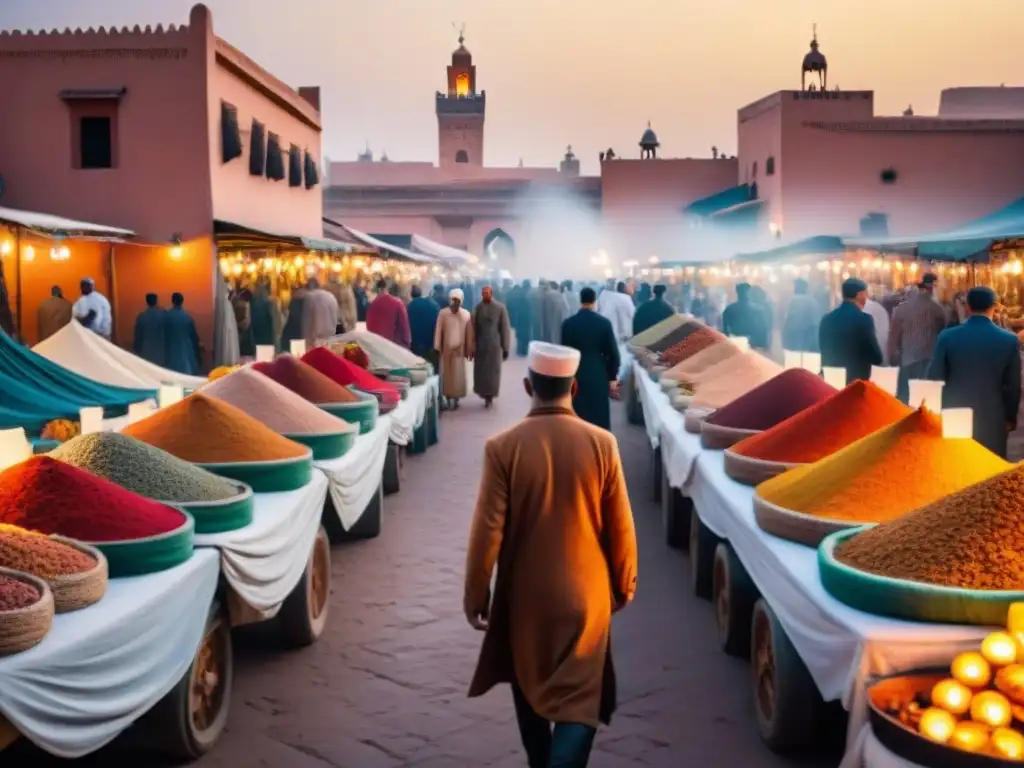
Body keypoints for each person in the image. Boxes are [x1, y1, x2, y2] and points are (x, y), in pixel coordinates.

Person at [464, 340, 637, 768]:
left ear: (527, 386)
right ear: (574, 389)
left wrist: (476, 596)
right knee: (581, 696)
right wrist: (624, 583)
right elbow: (621, 527)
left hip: (525, 595)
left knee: (528, 682)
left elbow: (488, 531)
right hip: (587, 594)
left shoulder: (503, 447)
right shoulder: (602, 444)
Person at [928, 286, 1021, 459]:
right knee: (990, 471)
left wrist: (934, 415)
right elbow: (1014, 386)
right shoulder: (1008, 341)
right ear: (994, 307)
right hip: (993, 418)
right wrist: (1010, 417)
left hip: (955, 415)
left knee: (959, 467)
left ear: (967, 307)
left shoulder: (947, 337)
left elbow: (934, 378)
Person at [561, 287, 621, 431]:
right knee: (598, 413)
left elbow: (564, 352)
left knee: (577, 411)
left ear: (580, 300)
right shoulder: (604, 323)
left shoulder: (568, 323)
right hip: (597, 372)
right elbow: (612, 352)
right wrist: (612, 376)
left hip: (575, 372)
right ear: (595, 301)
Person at [889, 273, 947, 403]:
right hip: (929, 361)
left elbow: (894, 336)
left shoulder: (902, 308)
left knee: (907, 399)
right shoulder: (938, 309)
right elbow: (942, 335)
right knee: (926, 401)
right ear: (933, 287)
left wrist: (893, 357)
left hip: (908, 360)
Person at [819, 277, 883, 384]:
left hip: (831, 382)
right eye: (865, 294)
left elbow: (823, 350)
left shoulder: (826, 319)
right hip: (855, 385)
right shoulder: (864, 319)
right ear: (859, 295)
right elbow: (876, 357)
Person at [434, 288, 474, 410]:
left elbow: (438, 332)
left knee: (450, 374)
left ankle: (451, 397)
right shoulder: (465, 314)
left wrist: (437, 346)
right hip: (457, 350)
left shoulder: (444, 313)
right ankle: (454, 398)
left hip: (450, 349)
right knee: (455, 375)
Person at [472, 285, 511, 408]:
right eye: (483, 293)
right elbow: (474, 328)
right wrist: (472, 345)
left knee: (493, 372)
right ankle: (484, 395)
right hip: (481, 345)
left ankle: (490, 396)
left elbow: (504, 328)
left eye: (487, 293)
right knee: (481, 372)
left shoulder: (500, 308)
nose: (485, 295)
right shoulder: (478, 308)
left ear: (491, 293)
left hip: (495, 346)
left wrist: (506, 347)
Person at [365, 278, 411, 348]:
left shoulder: (372, 304)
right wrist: (406, 345)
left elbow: (369, 326)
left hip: (375, 346)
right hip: (393, 348)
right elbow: (404, 329)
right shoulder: (398, 304)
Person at [722, 282, 768, 350]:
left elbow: (725, 329)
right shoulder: (757, 310)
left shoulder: (729, 309)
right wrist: (763, 345)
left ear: (737, 293)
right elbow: (763, 329)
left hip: (736, 342)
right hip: (752, 343)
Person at [164, 292, 202, 375]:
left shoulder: (166, 316)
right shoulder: (187, 317)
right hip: (185, 353)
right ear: (182, 302)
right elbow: (194, 337)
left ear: (172, 301)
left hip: (170, 353)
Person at [781, 278, 821, 352]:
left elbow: (787, 321)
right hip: (808, 339)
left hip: (793, 338)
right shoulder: (813, 301)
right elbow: (816, 322)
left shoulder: (791, 301)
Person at [407, 285, 440, 371]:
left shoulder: (409, 306)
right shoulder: (432, 303)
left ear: (411, 295)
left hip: (416, 343)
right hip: (431, 342)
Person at [302, 278, 340, 348]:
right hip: (331, 335)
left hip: (317, 338)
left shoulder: (310, 296)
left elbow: (308, 320)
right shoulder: (330, 295)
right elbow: (336, 316)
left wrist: (307, 341)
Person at [132, 293, 167, 366]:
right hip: (161, 352)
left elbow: (138, 336)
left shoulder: (142, 317)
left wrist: (136, 350)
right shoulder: (163, 315)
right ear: (157, 301)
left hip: (146, 352)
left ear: (146, 302)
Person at [250, 281, 280, 351]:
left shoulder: (270, 303)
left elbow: (275, 323)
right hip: (258, 336)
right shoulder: (253, 303)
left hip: (267, 337)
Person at [511, 280, 535, 356]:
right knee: (525, 335)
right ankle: (524, 351)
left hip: (520, 317)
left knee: (520, 334)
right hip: (526, 317)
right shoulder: (529, 294)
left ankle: (519, 350)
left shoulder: (518, 293)